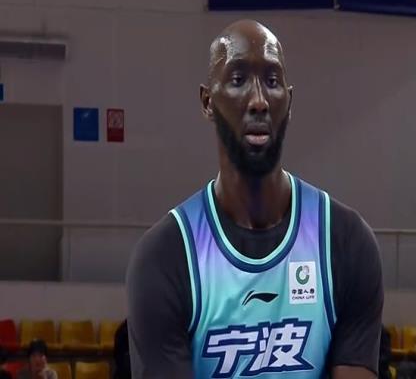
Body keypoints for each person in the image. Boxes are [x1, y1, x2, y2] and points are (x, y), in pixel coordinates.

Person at [127, 20, 384, 378]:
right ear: (207, 102)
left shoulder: (345, 240)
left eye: (272, 81)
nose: (259, 101)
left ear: (289, 102)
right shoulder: (166, 255)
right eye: (238, 80)